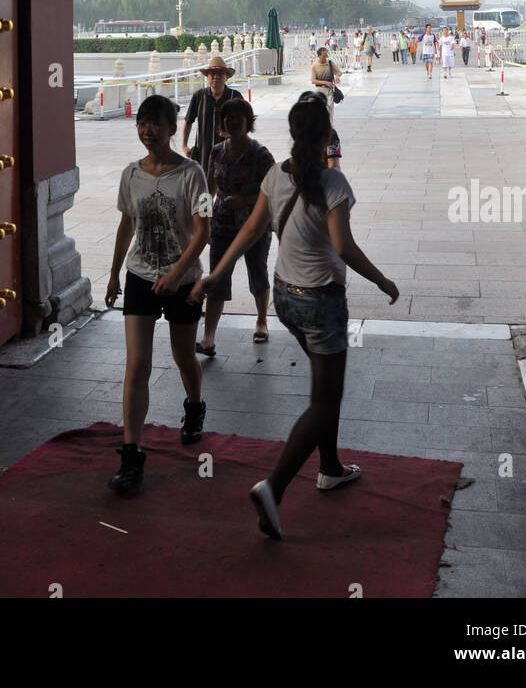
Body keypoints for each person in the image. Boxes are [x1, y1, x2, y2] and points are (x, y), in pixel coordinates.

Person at [189, 95, 399, 540]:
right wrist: (382, 281)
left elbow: (250, 230)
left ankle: (330, 468)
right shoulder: (333, 183)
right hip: (321, 303)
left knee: (326, 391)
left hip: (285, 298)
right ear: (327, 136)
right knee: (325, 399)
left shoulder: (274, 175)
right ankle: (274, 486)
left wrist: (217, 274)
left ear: (292, 133)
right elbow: (342, 247)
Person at [105, 96, 211, 493]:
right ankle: (131, 456)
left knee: (184, 356)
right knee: (137, 365)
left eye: (155, 124)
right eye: (142, 123)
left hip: (182, 282)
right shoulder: (130, 174)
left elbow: (203, 233)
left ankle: (194, 406)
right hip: (139, 277)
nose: (147, 131)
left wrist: (176, 275)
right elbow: (126, 224)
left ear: (172, 128)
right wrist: (114, 273)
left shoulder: (192, 174)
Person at [198, 99, 275, 354]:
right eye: (228, 118)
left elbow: (274, 191)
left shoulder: (260, 154)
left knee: (257, 272)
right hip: (221, 225)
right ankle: (208, 337)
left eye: (238, 118)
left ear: (248, 122)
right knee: (217, 277)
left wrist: (245, 199)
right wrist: (202, 218)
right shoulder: (217, 151)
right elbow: (209, 187)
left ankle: (262, 320)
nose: (232, 122)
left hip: (254, 225)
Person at [181, 55, 244, 172]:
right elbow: (188, 121)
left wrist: (232, 134)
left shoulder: (235, 97)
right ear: (207, 77)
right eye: (212, 73)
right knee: (204, 188)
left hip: (229, 154)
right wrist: (184, 145)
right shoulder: (199, 96)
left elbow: (246, 123)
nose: (215, 77)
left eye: (220, 74)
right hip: (203, 156)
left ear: (226, 77)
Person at [311, 45, 341, 118]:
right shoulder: (314, 66)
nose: (325, 58)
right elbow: (313, 81)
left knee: (329, 112)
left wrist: (337, 76)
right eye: (323, 56)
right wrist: (325, 82)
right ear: (318, 55)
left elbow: (339, 72)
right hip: (319, 91)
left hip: (329, 91)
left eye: (326, 56)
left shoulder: (330, 63)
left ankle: (329, 127)